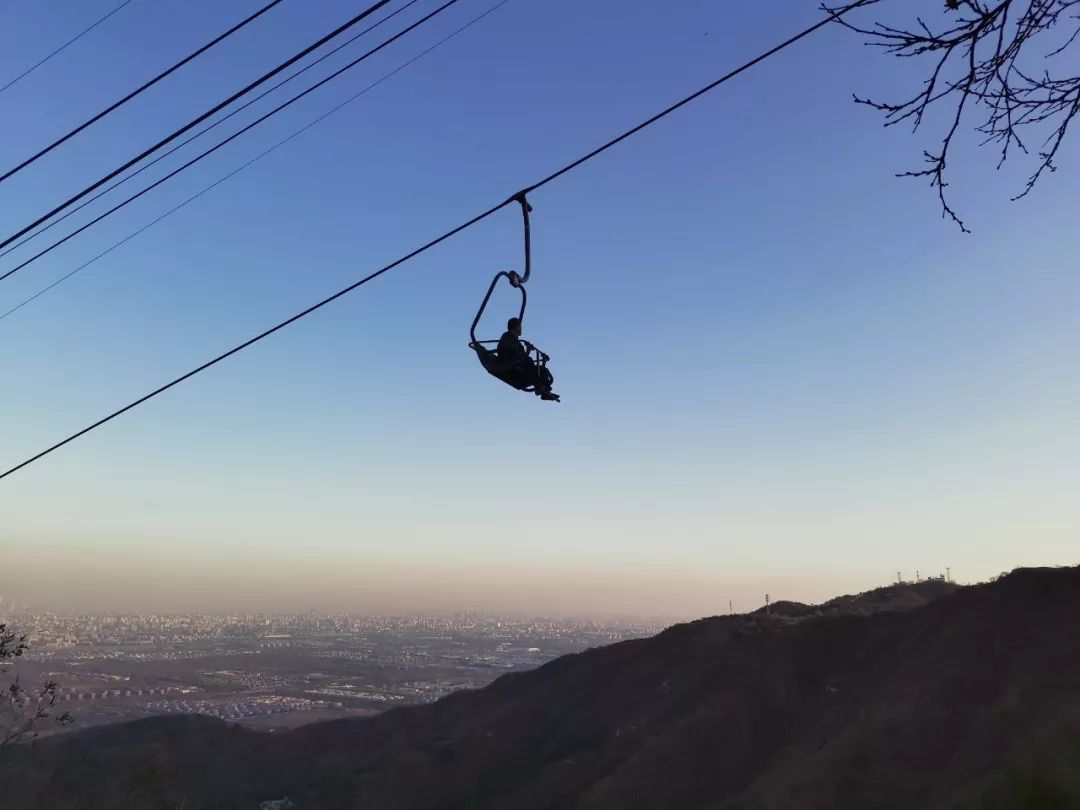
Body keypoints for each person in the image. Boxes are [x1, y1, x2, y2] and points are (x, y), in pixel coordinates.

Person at [497, 317, 558, 400]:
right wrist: (528, 351)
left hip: (520, 364)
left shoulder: (516, 340)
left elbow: (521, 356)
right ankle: (541, 389)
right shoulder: (508, 337)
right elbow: (517, 356)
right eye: (520, 326)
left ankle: (546, 391)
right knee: (532, 366)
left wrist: (541, 360)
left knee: (542, 369)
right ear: (515, 327)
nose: (521, 329)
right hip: (512, 366)